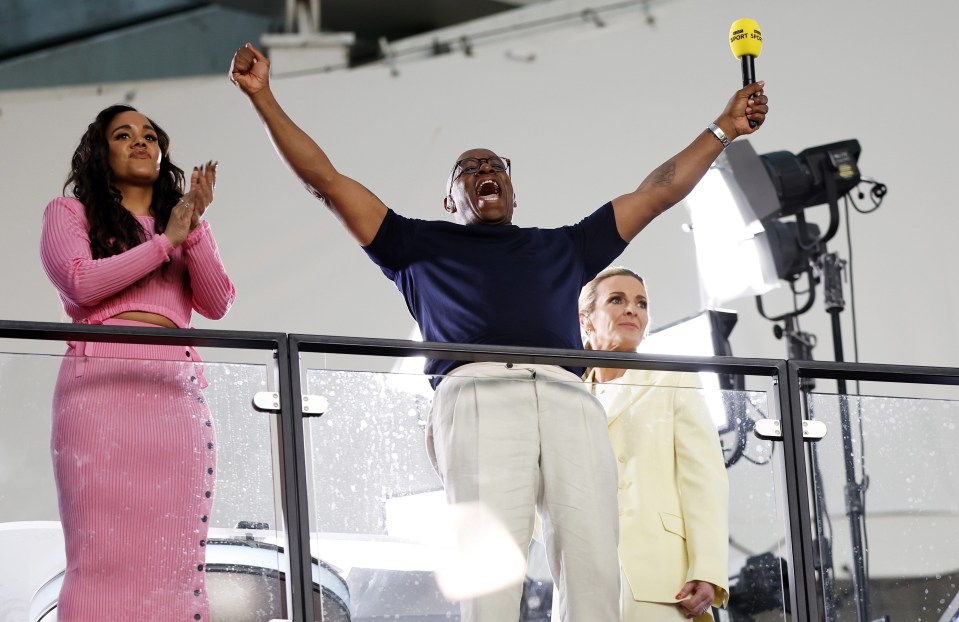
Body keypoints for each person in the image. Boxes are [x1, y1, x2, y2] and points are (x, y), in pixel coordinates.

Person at [229, 42, 765, 622]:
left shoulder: (563, 245)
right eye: (468, 169)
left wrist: (723, 128)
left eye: (496, 167)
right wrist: (263, 97)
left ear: (513, 190)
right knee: (491, 572)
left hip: (567, 398)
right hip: (479, 392)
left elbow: (658, 189)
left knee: (593, 567)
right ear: (449, 198)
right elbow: (326, 182)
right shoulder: (414, 244)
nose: (485, 172)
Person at [39, 104, 236, 620]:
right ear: (100, 154)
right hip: (100, 384)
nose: (140, 141)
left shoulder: (184, 225)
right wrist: (163, 242)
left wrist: (191, 226)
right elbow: (81, 284)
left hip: (174, 390)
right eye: (123, 135)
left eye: (150, 135)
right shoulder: (69, 214)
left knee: (176, 556)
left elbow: (216, 303)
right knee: (99, 553)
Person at [578, 267, 729, 621]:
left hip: (659, 576)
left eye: (641, 303)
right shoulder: (568, 394)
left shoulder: (672, 379)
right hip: (581, 573)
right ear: (587, 320)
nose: (632, 309)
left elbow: (704, 478)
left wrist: (707, 567)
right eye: (617, 299)